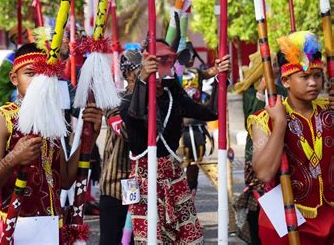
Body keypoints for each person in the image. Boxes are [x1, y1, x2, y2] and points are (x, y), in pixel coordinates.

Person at [0, 43, 103, 244]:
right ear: (14, 78)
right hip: (12, 229)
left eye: (44, 75)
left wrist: (88, 138)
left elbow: (65, 180)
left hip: (50, 227)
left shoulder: (51, 120)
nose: (38, 81)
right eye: (30, 73)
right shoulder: (1, 119)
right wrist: (13, 158)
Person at [120, 40, 230, 244]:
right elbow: (135, 116)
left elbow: (211, 112)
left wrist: (219, 78)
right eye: (154, 65)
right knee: (151, 239)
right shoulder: (126, 102)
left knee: (191, 237)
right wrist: (145, 80)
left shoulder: (173, 95)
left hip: (174, 175)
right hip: (143, 180)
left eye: (165, 64)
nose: (159, 73)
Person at [248, 31, 334, 244]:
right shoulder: (264, 118)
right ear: (285, 81)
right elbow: (265, 173)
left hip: (330, 217)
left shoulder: (328, 111)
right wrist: (279, 124)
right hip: (286, 221)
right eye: (304, 77)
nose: (313, 82)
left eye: (317, 75)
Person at [233, 51, 286, 245]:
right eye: (268, 64)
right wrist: (260, 92)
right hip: (256, 153)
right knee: (259, 198)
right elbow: (250, 115)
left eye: (274, 64)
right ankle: (256, 235)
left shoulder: (282, 89)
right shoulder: (248, 91)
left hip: (280, 150)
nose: (273, 68)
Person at [99, 49, 142, 245]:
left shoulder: (152, 102)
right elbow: (126, 133)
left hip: (138, 183)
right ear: (130, 74)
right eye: (141, 69)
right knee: (111, 240)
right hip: (115, 184)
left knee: (133, 240)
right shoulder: (114, 101)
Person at [180, 41, 220, 197]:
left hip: (196, 124)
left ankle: (191, 189)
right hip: (180, 125)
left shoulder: (197, 72)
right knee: (181, 160)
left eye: (191, 54)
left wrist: (219, 67)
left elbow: (212, 72)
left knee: (195, 160)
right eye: (186, 54)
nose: (189, 57)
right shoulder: (172, 74)